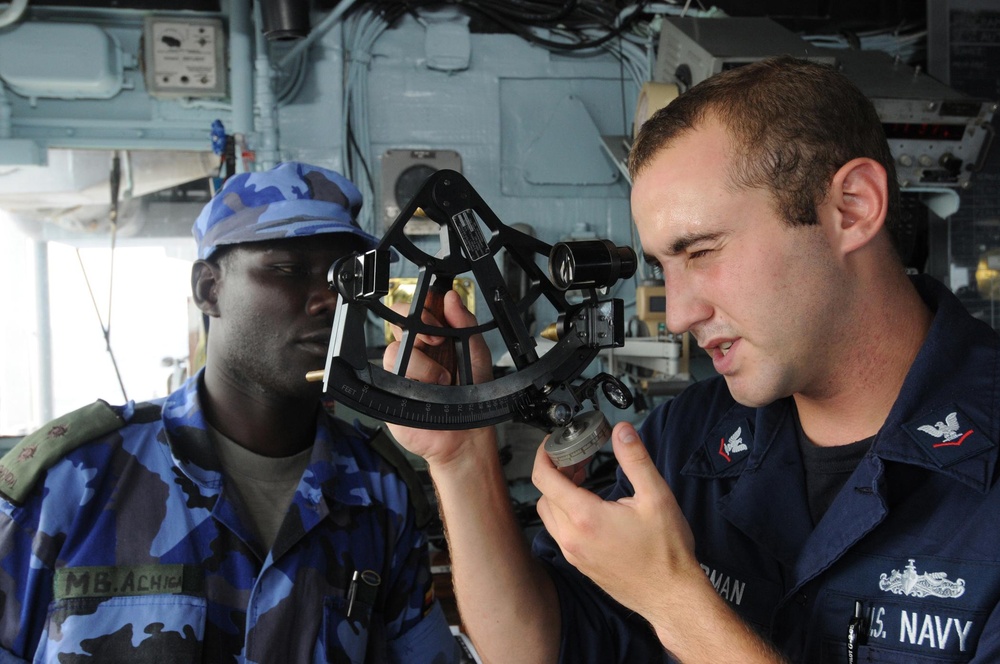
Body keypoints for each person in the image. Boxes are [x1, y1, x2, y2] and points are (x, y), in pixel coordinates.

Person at [385, 56, 1000, 663]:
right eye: (662, 267)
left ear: (853, 207)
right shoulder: (690, 439)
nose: (678, 314)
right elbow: (534, 649)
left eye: (702, 251)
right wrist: (462, 457)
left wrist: (676, 601)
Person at [0, 162, 459, 663]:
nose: (330, 298)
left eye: (345, 277)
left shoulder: (379, 493)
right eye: (286, 269)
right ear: (208, 289)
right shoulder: (71, 481)